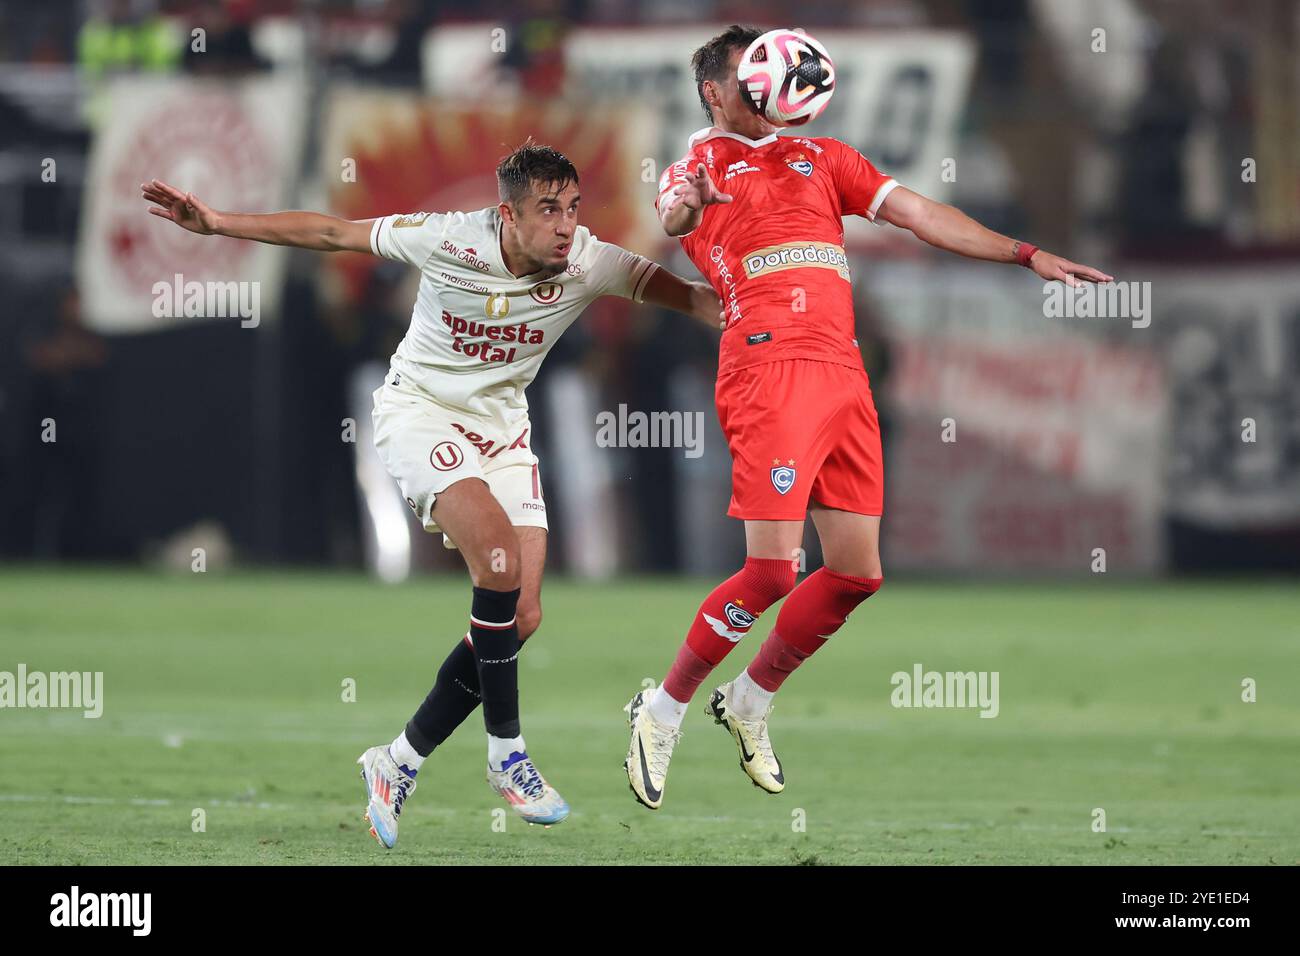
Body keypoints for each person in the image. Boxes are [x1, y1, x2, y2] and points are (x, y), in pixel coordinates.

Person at [142, 141, 723, 845]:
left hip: (502, 430)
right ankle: (507, 753)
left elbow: (691, 298)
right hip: (420, 414)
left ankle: (397, 760)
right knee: (499, 566)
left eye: (572, 208)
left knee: (522, 617)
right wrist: (218, 223)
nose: (566, 225)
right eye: (548, 210)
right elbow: (332, 233)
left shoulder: (589, 261)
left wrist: (767, 302)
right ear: (506, 214)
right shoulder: (449, 237)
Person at [624, 25, 1111, 810]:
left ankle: (749, 700)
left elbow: (921, 214)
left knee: (855, 573)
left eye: (765, 78)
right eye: (744, 81)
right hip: (768, 366)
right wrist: (688, 207)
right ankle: (663, 708)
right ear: (717, 91)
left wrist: (1025, 255)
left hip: (843, 372)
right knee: (773, 570)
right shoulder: (698, 166)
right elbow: (677, 216)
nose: (758, 92)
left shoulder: (822, 158)